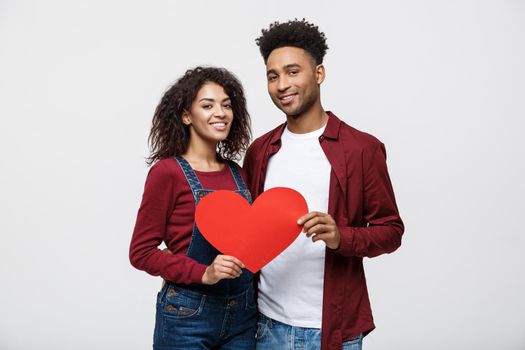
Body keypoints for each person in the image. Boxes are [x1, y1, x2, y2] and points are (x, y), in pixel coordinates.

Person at [242, 20, 405, 350]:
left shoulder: (361, 149)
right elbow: (247, 231)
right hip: (264, 325)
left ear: (319, 74)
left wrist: (340, 236)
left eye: (292, 72)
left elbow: (391, 231)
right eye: (273, 76)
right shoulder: (260, 150)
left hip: (332, 331)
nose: (282, 85)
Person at [129, 66, 256, 349]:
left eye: (226, 105)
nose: (220, 113)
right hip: (188, 313)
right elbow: (141, 252)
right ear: (187, 115)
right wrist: (203, 272)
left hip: (244, 313)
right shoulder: (167, 173)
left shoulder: (238, 172)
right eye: (207, 105)